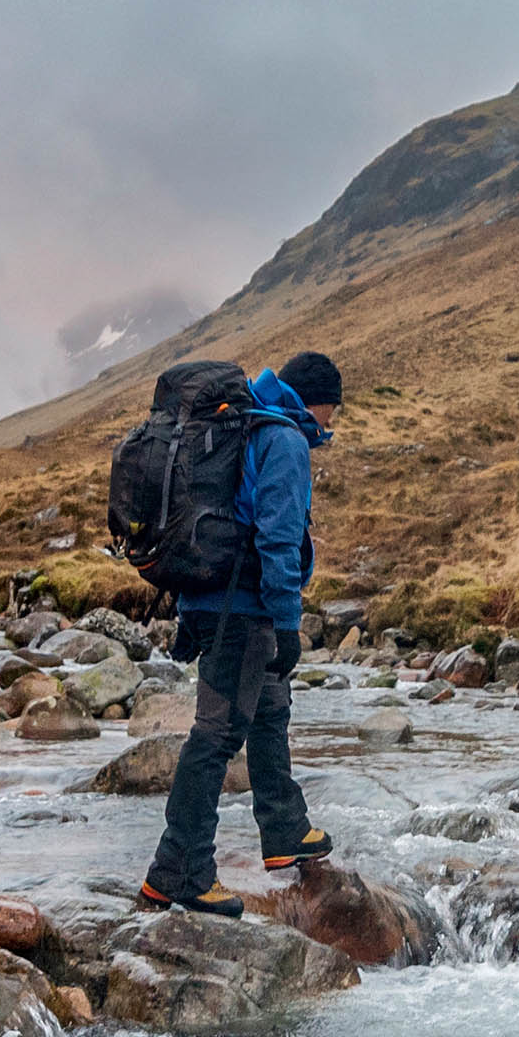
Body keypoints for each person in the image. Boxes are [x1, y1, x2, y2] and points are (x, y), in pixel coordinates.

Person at [140, 351, 344, 908]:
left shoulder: (243, 426)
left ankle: (284, 831)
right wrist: (286, 625)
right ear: (318, 400)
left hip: (214, 601)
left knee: (271, 708)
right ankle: (177, 868)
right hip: (247, 609)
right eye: (334, 409)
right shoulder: (284, 441)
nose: (332, 422)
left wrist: (188, 612)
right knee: (216, 735)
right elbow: (276, 540)